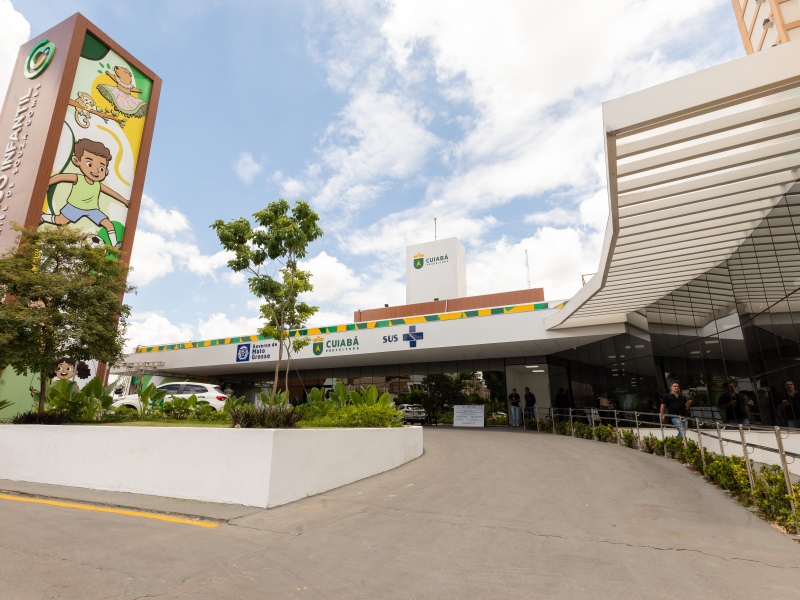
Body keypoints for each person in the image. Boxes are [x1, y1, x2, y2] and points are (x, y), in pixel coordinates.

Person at [41, 139, 130, 248]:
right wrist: (47, 184)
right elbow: (60, 177)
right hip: (74, 207)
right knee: (60, 220)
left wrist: (124, 201)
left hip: (92, 210)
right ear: (76, 161)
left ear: (106, 171)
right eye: (89, 164)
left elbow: (111, 193)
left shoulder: (98, 185)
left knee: (109, 225)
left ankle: (115, 244)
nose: (96, 170)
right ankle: (43, 217)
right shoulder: (78, 178)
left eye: (101, 168)